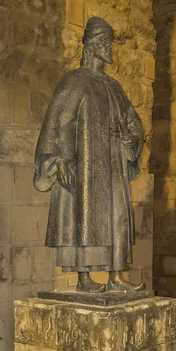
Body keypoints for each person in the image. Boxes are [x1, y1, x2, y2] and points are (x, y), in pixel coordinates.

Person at [33, 16, 144, 293]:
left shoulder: (114, 87)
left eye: (110, 42)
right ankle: (83, 279)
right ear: (92, 45)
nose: (110, 48)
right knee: (81, 215)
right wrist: (58, 159)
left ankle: (116, 276)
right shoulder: (74, 82)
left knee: (117, 215)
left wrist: (132, 139)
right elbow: (57, 123)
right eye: (105, 42)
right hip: (85, 163)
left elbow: (132, 122)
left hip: (113, 164)